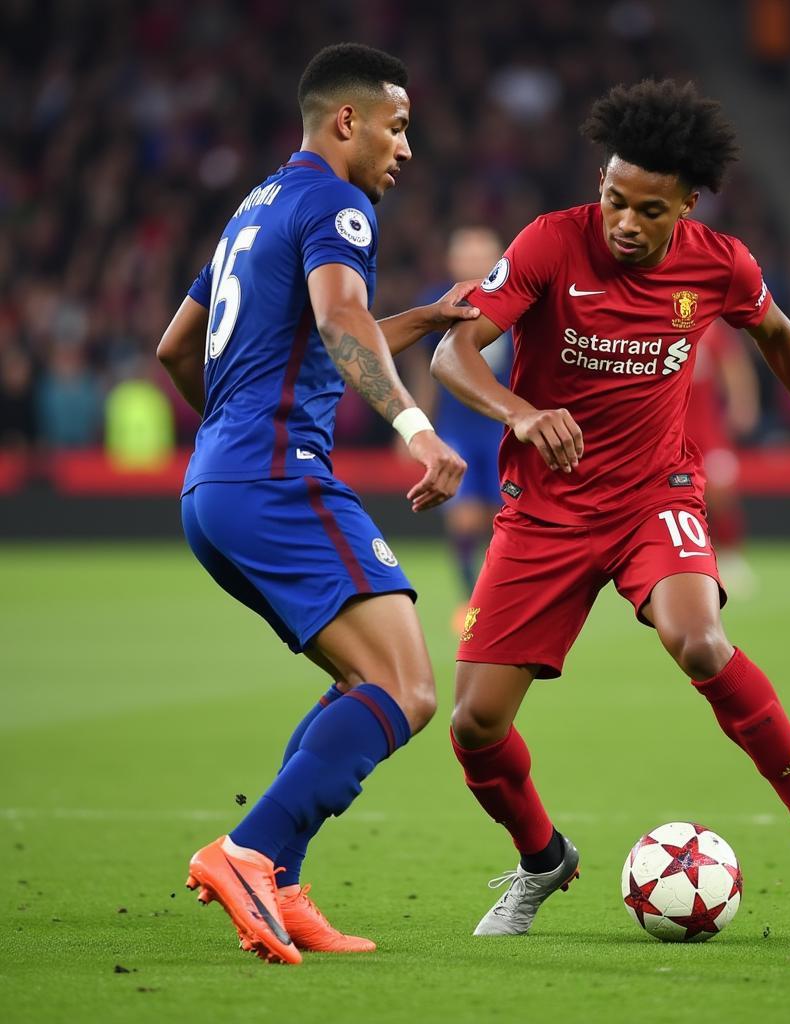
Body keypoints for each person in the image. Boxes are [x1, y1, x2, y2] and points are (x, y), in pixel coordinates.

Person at [432, 79, 790, 938]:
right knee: (474, 726)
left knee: (700, 638)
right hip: (545, 512)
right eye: (614, 198)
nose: (624, 221)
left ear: (687, 202)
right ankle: (543, 860)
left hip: (656, 493)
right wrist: (522, 414)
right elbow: (454, 351)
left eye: (649, 208)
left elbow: (778, 334)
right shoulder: (547, 244)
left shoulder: (720, 262)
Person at [156, 43, 476, 964]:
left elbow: (180, 348)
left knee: (358, 682)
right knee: (407, 690)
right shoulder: (339, 203)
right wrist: (418, 429)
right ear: (348, 122)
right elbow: (339, 323)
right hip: (278, 478)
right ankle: (248, 849)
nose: (406, 149)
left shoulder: (253, 210)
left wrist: (419, 320)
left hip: (215, 489)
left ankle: (282, 882)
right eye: (398, 126)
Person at [404, 226, 512, 615]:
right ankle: (470, 601)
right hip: (458, 426)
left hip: (503, 428)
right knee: (464, 518)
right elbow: (425, 370)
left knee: (498, 520)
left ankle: (495, 596)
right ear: (452, 261)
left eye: (482, 253)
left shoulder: (520, 301)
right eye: (466, 254)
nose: (474, 262)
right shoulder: (437, 303)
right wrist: (415, 424)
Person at [686, 318, 760, 597]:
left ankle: (731, 556)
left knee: (720, 492)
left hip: (707, 433)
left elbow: (734, 366)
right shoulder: (655, 323)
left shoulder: (710, 329)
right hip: (670, 433)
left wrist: (742, 404)